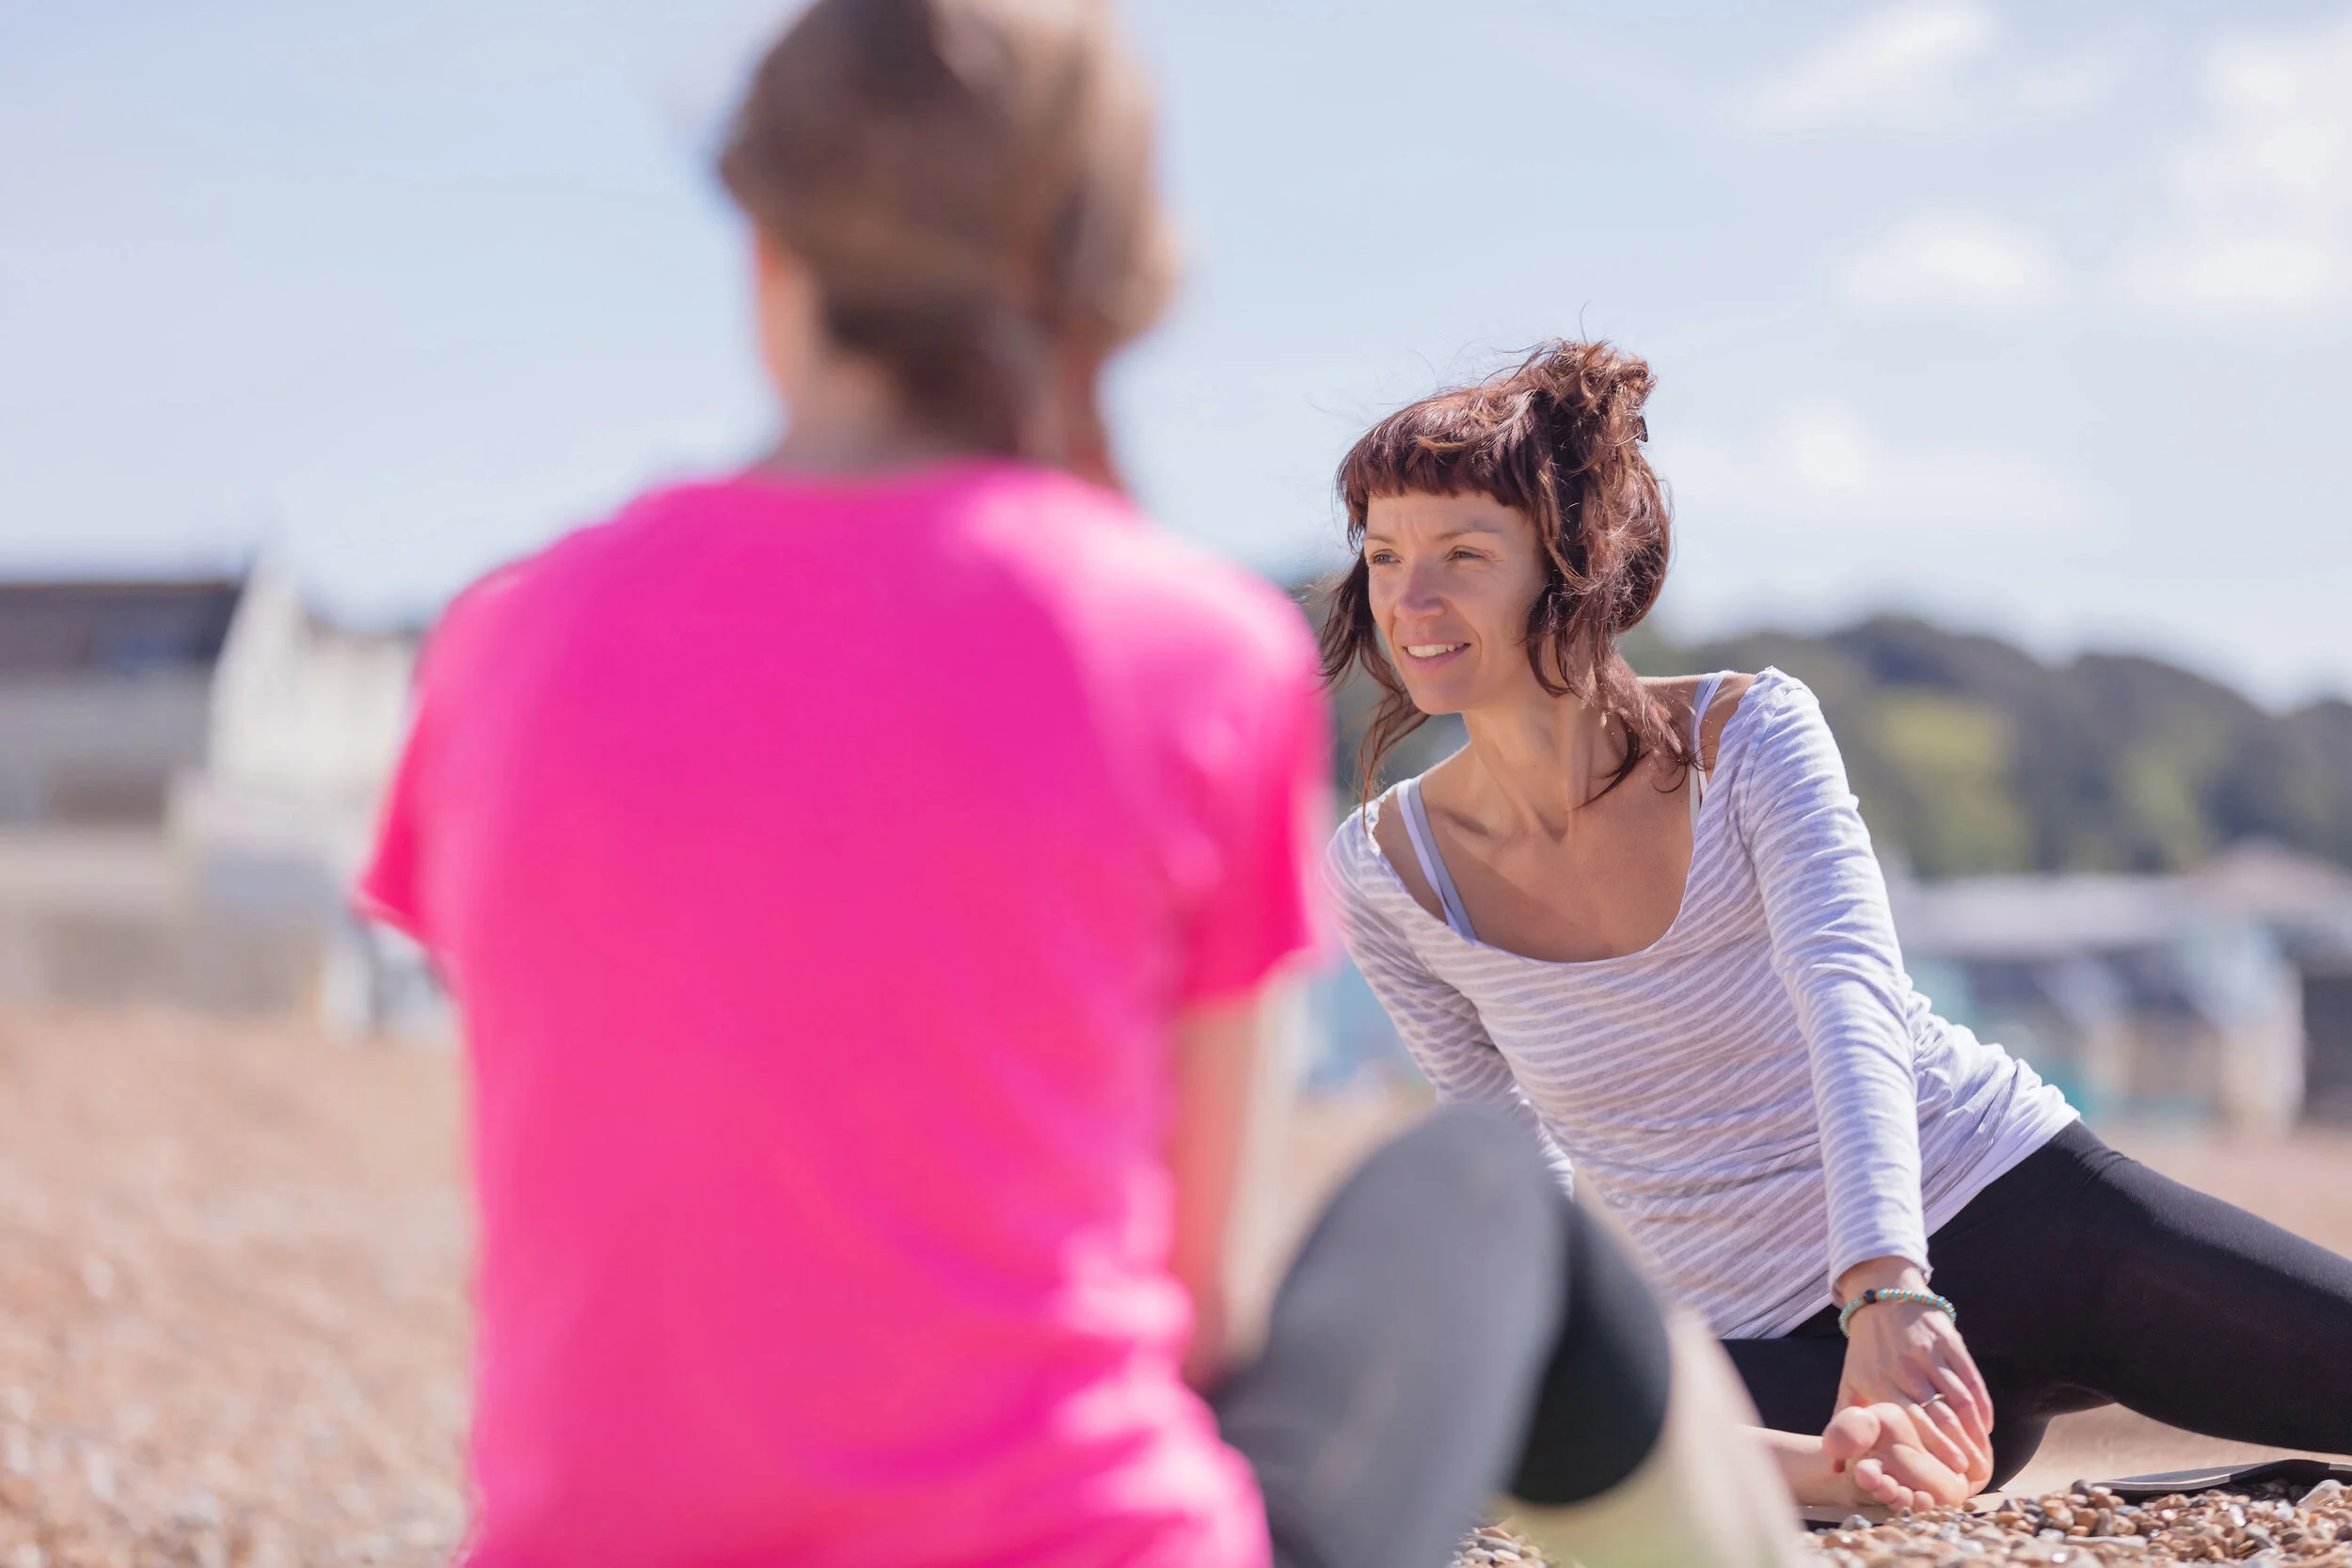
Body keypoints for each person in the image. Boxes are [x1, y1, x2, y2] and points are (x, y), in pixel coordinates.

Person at [357, 5, 1968, 1564]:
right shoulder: (1186, 650)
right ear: (1106, 289)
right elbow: (1198, 1321)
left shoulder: (505, 640)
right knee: (1486, 1183)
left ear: (770, 255)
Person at [1319, 337, 2352, 1496]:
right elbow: (1509, 1170)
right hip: (1771, 1341)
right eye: (1382, 554)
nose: (1409, 600)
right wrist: (1567, 1356)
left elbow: (1846, 997)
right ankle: (1853, 1475)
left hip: (2010, 1211)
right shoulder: (1385, 874)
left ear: (1573, 566)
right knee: (1482, 1418)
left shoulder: (1751, 734)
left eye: (1461, 554)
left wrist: (1883, 1284)